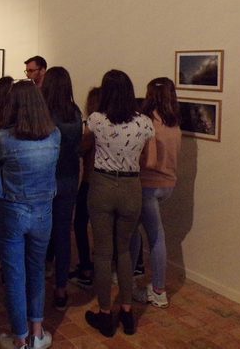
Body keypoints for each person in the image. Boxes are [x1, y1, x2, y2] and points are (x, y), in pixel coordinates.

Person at [0, 80, 59, 349]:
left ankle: (20, 339)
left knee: (15, 274)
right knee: (37, 270)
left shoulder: (3, 139)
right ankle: (37, 332)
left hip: (12, 211)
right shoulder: (54, 136)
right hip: (43, 211)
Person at [84, 70, 154, 337]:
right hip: (131, 187)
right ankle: (127, 311)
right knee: (124, 251)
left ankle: (104, 313)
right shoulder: (144, 122)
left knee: (102, 253)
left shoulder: (97, 119)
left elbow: (83, 145)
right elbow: (147, 160)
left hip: (102, 185)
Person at [131, 77, 182, 309]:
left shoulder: (147, 122)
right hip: (168, 184)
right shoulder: (174, 122)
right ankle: (138, 282)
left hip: (148, 184)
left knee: (148, 236)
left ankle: (157, 290)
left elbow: (146, 159)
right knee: (148, 234)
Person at [41, 67, 82, 311]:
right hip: (69, 178)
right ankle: (60, 288)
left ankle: (36, 284)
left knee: (40, 233)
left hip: (47, 179)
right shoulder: (75, 113)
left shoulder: (45, 114)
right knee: (63, 234)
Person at [68, 87, 101, 289]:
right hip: (106, 183)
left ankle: (86, 269)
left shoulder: (94, 125)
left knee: (80, 224)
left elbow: (81, 148)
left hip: (90, 182)